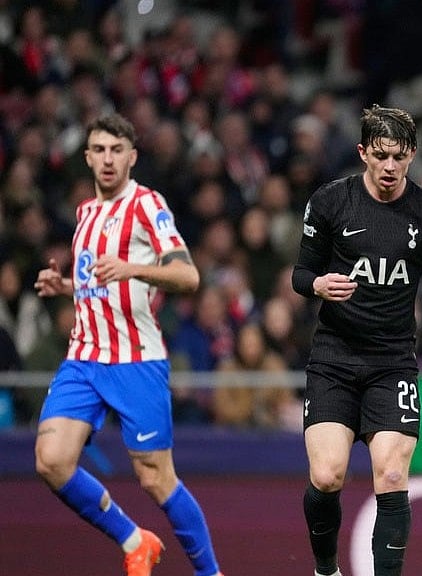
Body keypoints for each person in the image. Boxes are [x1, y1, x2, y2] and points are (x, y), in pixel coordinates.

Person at [292, 104, 422, 576]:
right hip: (334, 358)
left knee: (393, 473)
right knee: (327, 475)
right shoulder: (330, 202)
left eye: (399, 157)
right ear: (363, 153)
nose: (390, 166)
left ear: (412, 154)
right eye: (380, 156)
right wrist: (317, 285)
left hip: (393, 361)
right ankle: (326, 570)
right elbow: (301, 273)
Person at [32, 113, 225, 576]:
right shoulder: (85, 213)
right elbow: (101, 283)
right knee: (51, 461)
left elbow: (188, 276)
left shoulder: (146, 205)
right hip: (84, 356)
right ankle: (135, 541)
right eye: (99, 150)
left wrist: (133, 268)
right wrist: (67, 287)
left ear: (132, 157)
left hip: (136, 360)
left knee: (155, 478)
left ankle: (211, 573)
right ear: (87, 157)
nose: (108, 159)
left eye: (117, 150)